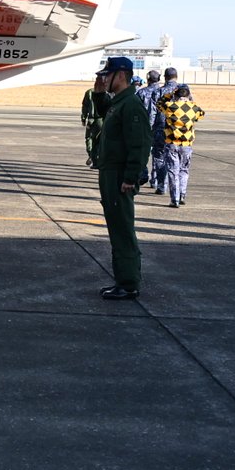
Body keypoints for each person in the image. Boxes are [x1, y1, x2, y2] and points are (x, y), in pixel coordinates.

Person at [95, 55, 149, 301]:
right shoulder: (118, 102)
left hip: (119, 176)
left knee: (122, 230)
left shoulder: (131, 105)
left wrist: (131, 176)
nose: (104, 78)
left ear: (121, 75)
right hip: (110, 174)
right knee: (116, 227)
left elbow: (139, 145)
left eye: (108, 74)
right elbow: (102, 113)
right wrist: (98, 94)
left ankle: (128, 284)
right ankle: (122, 280)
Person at [158, 84, 206, 208]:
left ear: (176, 94)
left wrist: (169, 95)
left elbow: (159, 103)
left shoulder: (169, 106)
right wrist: (191, 99)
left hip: (172, 143)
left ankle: (175, 199)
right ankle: (182, 194)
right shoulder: (194, 108)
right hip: (186, 145)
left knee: (173, 171)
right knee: (184, 170)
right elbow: (201, 114)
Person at [150, 67, 180, 194]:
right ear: (176, 77)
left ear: (165, 78)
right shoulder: (184, 91)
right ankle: (178, 191)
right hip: (179, 129)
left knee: (159, 156)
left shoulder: (158, 91)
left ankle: (162, 185)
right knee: (176, 158)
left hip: (161, 127)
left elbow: (152, 112)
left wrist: (150, 127)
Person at [137, 69, 163, 185]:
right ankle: (156, 180)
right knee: (158, 155)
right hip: (161, 128)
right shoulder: (163, 93)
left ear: (148, 79)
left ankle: (143, 174)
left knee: (142, 153)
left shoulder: (142, 93)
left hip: (144, 128)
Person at [80, 76, 108, 168]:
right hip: (103, 120)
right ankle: (97, 158)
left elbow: (85, 107)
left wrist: (83, 118)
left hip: (92, 120)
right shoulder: (107, 94)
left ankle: (92, 157)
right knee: (100, 141)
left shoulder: (89, 92)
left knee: (89, 139)